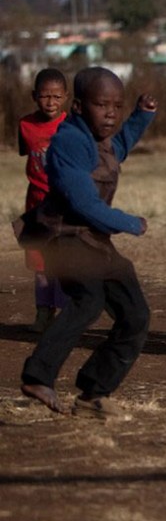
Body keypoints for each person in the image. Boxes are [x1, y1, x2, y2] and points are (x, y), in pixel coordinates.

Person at [18, 67, 157, 418]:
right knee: (88, 300)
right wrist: (128, 222)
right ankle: (38, 376)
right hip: (62, 237)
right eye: (101, 104)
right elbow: (83, 204)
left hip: (92, 241)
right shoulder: (68, 141)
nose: (111, 112)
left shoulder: (100, 139)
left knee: (135, 314)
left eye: (117, 105)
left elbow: (120, 147)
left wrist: (142, 116)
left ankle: (94, 393)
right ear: (78, 106)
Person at [17, 68, 69, 333]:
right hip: (36, 205)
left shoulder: (70, 126)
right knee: (39, 262)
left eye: (56, 96)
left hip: (63, 206)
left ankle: (64, 314)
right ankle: (43, 314)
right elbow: (25, 152)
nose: (50, 102)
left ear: (66, 97)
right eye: (45, 96)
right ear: (34, 96)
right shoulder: (25, 126)